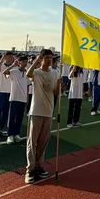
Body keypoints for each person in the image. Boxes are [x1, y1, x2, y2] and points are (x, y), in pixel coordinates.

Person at [25, 49, 60, 184]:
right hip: (36, 111)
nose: (49, 60)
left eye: (51, 58)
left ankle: (39, 166)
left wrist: (58, 84)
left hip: (48, 111)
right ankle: (30, 169)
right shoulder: (37, 73)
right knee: (32, 142)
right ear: (42, 59)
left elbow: (55, 92)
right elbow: (28, 74)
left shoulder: (54, 74)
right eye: (47, 58)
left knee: (42, 143)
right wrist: (36, 61)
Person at [6, 56, 29, 144]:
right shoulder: (14, 71)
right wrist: (13, 65)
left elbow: (27, 86)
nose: (25, 63)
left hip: (23, 98)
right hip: (14, 97)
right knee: (12, 117)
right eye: (23, 61)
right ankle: (10, 135)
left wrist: (26, 98)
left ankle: (16, 134)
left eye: (26, 61)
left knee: (19, 117)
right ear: (19, 62)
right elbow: (5, 72)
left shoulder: (27, 73)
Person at [0, 52, 15, 137]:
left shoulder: (14, 67)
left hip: (10, 91)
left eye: (11, 57)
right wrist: (2, 57)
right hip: (0, 90)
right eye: (8, 57)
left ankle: (2, 128)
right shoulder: (2, 65)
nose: (10, 58)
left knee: (6, 112)